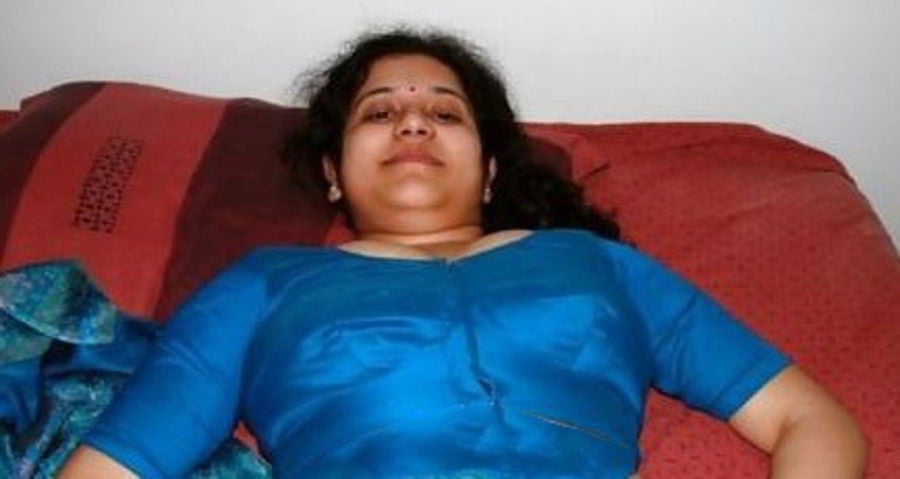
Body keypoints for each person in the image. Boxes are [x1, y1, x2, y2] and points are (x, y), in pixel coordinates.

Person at [60, 29, 866, 478]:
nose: (413, 123)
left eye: (444, 114)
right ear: (333, 173)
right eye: (380, 113)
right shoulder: (264, 282)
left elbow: (810, 419)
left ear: (487, 171)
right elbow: (114, 468)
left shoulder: (596, 263)